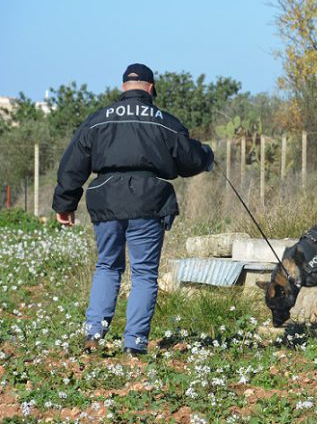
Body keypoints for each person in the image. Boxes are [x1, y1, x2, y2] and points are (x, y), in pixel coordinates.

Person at [52, 63, 214, 356]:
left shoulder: (98, 120)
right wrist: (206, 156)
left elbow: (73, 163)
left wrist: (65, 203)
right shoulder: (163, 121)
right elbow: (189, 159)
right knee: (143, 274)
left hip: (105, 199)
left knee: (107, 266)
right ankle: (134, 345)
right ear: (150, 89)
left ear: (123, 87)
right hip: (148, 201)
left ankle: (93, 334)